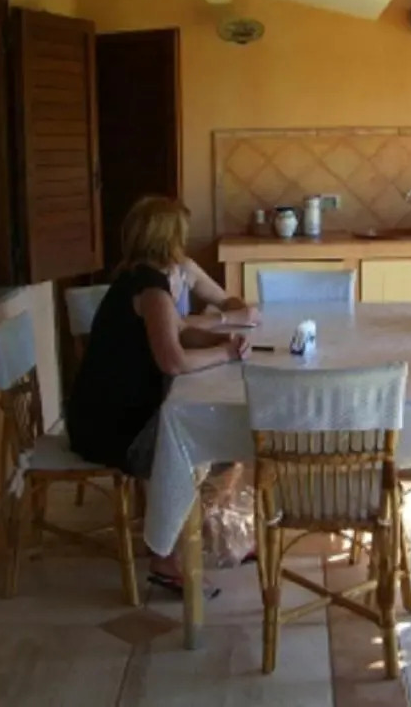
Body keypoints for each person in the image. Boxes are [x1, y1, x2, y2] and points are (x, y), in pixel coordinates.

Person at [66, 195, 248, 593]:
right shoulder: (151, 290)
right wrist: (225, 353)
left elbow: (180, 331)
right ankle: (167, 555)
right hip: (112, 427)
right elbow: (174, 361)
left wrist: (222, 341)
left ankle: (211, 532)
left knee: (216, 441)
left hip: (105, 412)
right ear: (169, 239)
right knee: (202, 445)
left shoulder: (140, 278)